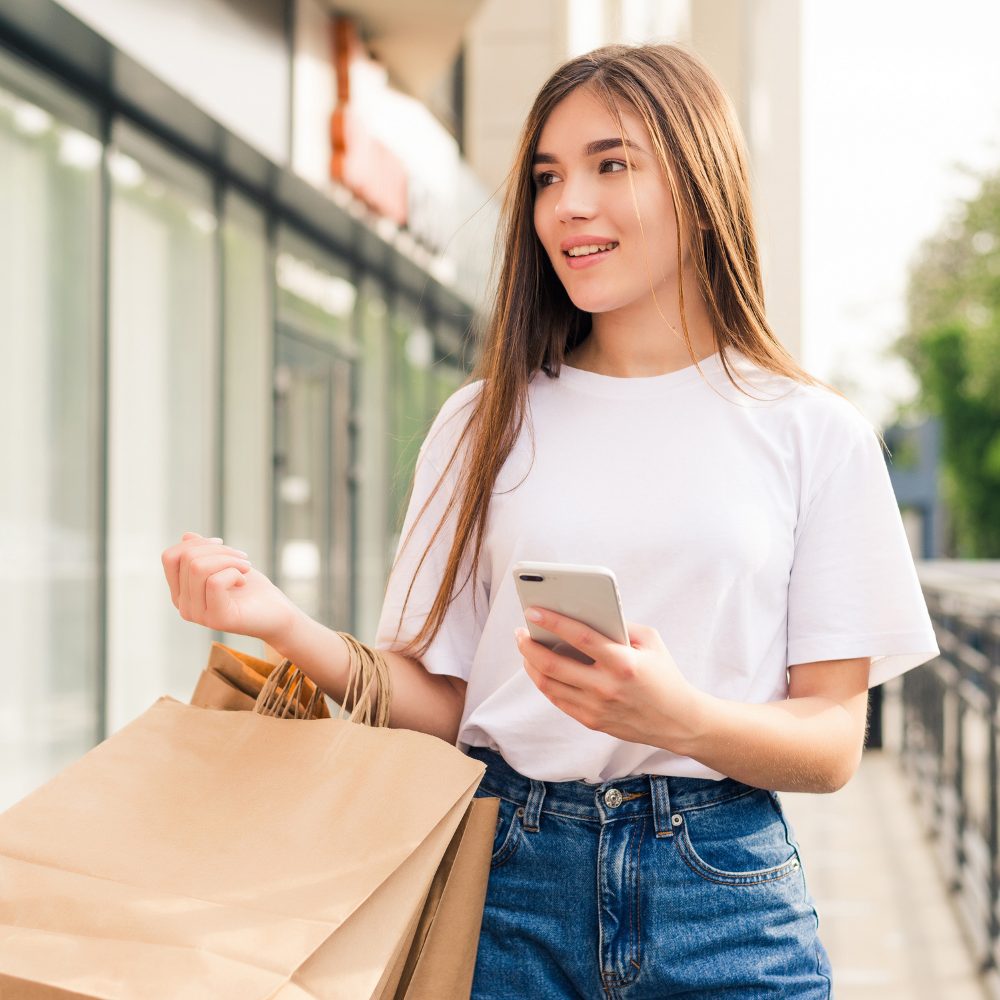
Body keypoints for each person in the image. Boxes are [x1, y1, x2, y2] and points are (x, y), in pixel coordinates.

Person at [163, 43, 939, 999]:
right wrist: (280, 622)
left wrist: (675, 716)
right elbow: (444, 706)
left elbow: (829, 744)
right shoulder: (485, 420)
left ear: (699, 183)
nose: (567, 203)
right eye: (546, 176)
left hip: (724, 900)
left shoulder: (812, 432)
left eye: (611, 164)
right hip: (502, 885)